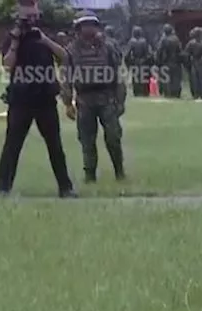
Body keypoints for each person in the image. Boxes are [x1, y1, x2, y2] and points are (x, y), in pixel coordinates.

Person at [0, 2, 75, 198]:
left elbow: (64, 57)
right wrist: (15, 41)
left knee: (55, 145)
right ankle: (3, 189)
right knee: (12, 145)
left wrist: (45, 40)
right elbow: (7, 65)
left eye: (33, 16)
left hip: (45, 99)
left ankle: (65, 188)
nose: (30, 21)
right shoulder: (12, 37)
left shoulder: (44, 35)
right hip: (21, 100)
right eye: (26, 18)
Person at [61, 12, 128, 184]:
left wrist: (121, 101)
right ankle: (90, 175)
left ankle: (119, 171)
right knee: (87, 139)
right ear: (78, 28)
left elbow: (118, 76)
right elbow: (66, 78)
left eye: (92, 24)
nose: (89, 28)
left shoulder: (109, 47)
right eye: (85, 25)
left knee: (113, 136)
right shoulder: (71, 50)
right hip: (85, 99)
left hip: (107, 98)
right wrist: (68, 103)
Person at [155, 24, 183, 99]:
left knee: (166, 79)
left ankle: (168, 93)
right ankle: (176, 93)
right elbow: (179, 51)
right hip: (176, 62)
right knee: (176, 79)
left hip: (166, 62)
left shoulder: (163, 40)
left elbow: (159, 51)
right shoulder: (176, 39)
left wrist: (157, 62)